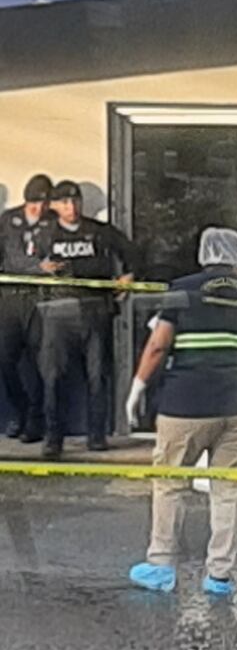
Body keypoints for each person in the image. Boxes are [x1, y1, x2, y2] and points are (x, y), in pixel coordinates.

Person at [125, 228, 237, 597]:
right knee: (229, 491)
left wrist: (137, 389)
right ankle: (219, 576)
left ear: (203, 255)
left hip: (186, 405)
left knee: (170, 484)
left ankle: (161, 566)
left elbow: (158, 346)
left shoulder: (183, 290)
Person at [34, 180, 138, 457]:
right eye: (65, 202)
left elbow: (132, 252)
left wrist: (128, 275)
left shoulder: (100, 232)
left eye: (75, 200)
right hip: (58, 310)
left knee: (97, 376)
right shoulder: (45, 234)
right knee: (53, 377)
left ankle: (97, 436)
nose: (72, 207)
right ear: (54, 206)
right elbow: (22, 262)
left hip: (95, 310)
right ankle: (53, 438)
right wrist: (39, 267)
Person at [0, 174, 53, 442]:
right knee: (5, 359)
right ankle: (19, 411)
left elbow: (57, 261)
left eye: (44, 204)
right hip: (10, 297)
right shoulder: (8, 220)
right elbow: (9, 259)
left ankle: (35, 420)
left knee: (38, 362)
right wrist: (36, 268)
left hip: (39, 299)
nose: (39, 209)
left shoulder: (53, 223)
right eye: (34, 204)